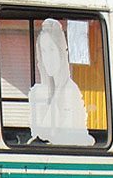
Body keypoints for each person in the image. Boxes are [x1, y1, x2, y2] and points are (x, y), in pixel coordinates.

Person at [28, 18, 94, 146]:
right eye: (44, 51)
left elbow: (72, 138)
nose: (48, 58)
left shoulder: (71, 91)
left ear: (61, 52)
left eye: (52, 50)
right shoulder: (38, 92)